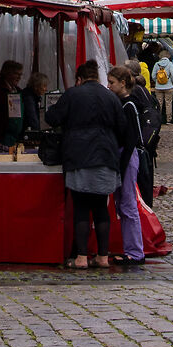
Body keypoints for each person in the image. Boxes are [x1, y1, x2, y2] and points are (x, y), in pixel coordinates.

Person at [47, 60, 128, 269]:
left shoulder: (73, 94)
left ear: (79, 79)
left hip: (79, 156)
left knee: (81, 208)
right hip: (105, 156)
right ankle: (102, 257)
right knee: (101, 208)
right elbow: (122, 128)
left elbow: (52, 118)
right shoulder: (111, 97)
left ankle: (81, 257)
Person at [107, 65, 150, 265]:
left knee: (127, 204)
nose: (109, 86)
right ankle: (131, 249)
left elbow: (131, 139)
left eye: (112, 83)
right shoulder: (122, 104)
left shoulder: (129, 105)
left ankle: (134, 251)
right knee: (124, 204)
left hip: (127, 156)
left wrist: (121, 166)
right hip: (123, 156)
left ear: (122, 83)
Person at [0, 62, 28, 149]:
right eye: (16, 74)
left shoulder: (18, 91)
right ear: (7, 72)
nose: (19, 77)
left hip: (14, 138)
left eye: (20, 74)